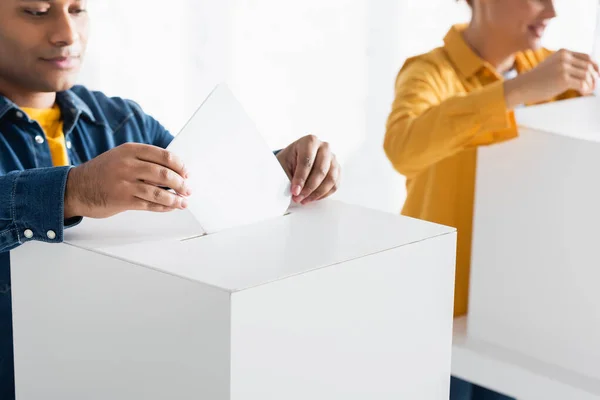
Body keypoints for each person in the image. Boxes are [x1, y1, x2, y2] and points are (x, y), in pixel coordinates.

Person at [0, 0, 341, 397]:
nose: (67, 35)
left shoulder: (122, 121)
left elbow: (199, 185)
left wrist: (281, 170)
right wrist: (75, 190)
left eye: (77, 9)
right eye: (37, 12)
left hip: (119, 368)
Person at [383, 0, 598, 399]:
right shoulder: (429, 72)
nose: (551, 12)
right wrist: (516, 91)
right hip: (437, 313)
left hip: (521, 316)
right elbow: (402, 147)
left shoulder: (562, 74)